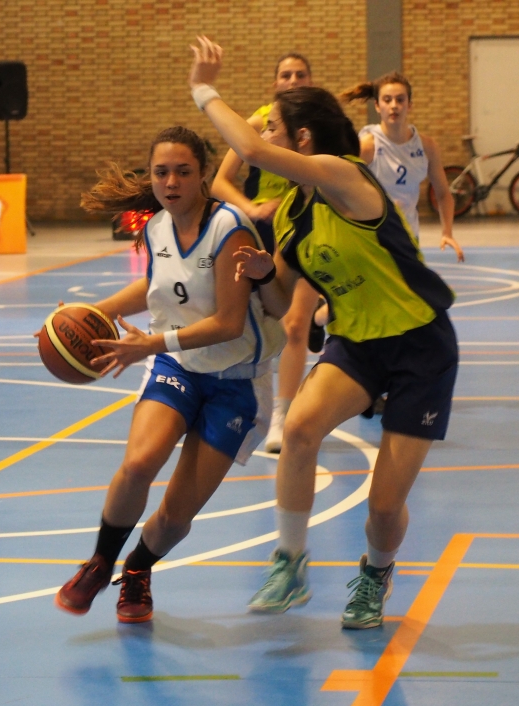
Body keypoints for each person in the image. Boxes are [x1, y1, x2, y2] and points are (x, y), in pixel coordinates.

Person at [189, 37, 459, 629]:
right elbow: (282, 301)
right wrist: (262, 277)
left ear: (302, 139)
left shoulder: (343, 176)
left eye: (275, 130)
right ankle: (290, 562)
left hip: (420, 346)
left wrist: (204, 90)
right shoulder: (293, 211)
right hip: (358, 345)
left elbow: (248, 148)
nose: (266, 139)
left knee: (383, 508)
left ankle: (376, 574)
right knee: (300, 427)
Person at [54, 126, 285, 624]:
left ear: (203, 175)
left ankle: (138, 568)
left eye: (183, 171)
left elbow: (228, 323)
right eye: (161, 172)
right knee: (139, 463)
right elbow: (154, 288)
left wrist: (151, 343)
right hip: (178, 366)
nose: (171, 182)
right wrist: (81, 316)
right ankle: (100, 562)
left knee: (177, 516)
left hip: (236, 381)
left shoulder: (230, 228)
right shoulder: (156, 226)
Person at [210, 52, 326, 453]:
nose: (292, 80)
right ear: (275, 84)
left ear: (311, 81)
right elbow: (220, 182)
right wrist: (254, 208)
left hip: (306, 229)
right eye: (285, 75)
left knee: (293, 325)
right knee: (263, 322)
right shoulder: (259, 124)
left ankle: (282, 414)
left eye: (300, 74)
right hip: (264, 233)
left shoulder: (318, 128)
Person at [341, 72, 464, 261]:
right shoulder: (367, 146)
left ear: (409, 105)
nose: (394, 105)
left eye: (400, 100)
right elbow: (344, 190)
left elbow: (443, 194)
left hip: (408, 236)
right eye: (387, 100)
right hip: (374, 237)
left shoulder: (427, 147)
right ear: (377, 106)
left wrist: (447, 232)